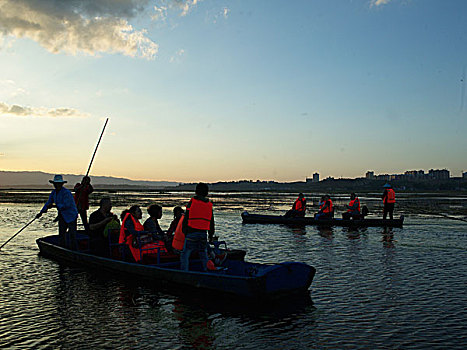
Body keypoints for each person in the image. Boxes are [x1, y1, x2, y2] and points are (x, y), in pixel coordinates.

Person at [36, 175, 78, 250]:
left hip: (71, 215)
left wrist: (53, 206)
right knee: (61, 234)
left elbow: (66, 205)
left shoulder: (66, 193)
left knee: (72, 235)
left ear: (61, 184)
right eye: (55, 184)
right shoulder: (54, 193)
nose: (57, 185)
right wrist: (41, 212)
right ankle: (62, 249)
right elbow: (48, 203)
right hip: (62, 215)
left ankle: (74, 250)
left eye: (58, 184)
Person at [181, 183, 214, 271]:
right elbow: (211, 222)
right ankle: (207, 271)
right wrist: (211, 235)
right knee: (203, 254)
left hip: (191, 232)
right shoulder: (209, 205)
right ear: (207, 193)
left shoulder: (192, 202)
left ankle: (185, 273)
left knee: (185, 254)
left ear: (196, 192)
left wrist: (184, 230)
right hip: (203, 233)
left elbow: (186, 217)